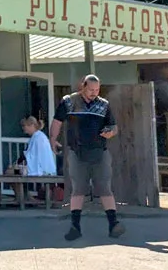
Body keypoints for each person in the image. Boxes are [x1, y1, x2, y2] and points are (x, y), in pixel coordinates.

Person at [50, 74, 124, 240]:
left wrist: (110, 133)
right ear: (82, 86)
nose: (94, 93)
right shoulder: (69, 101)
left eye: (97, 90)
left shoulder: (104, 105)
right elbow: (57, 121)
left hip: (100, 151)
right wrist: (53, 139)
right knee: (78, 189)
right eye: (91, 89)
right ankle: (75, 226)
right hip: (77, 152)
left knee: (105, 187)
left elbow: (113, 126)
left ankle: (114, 224)